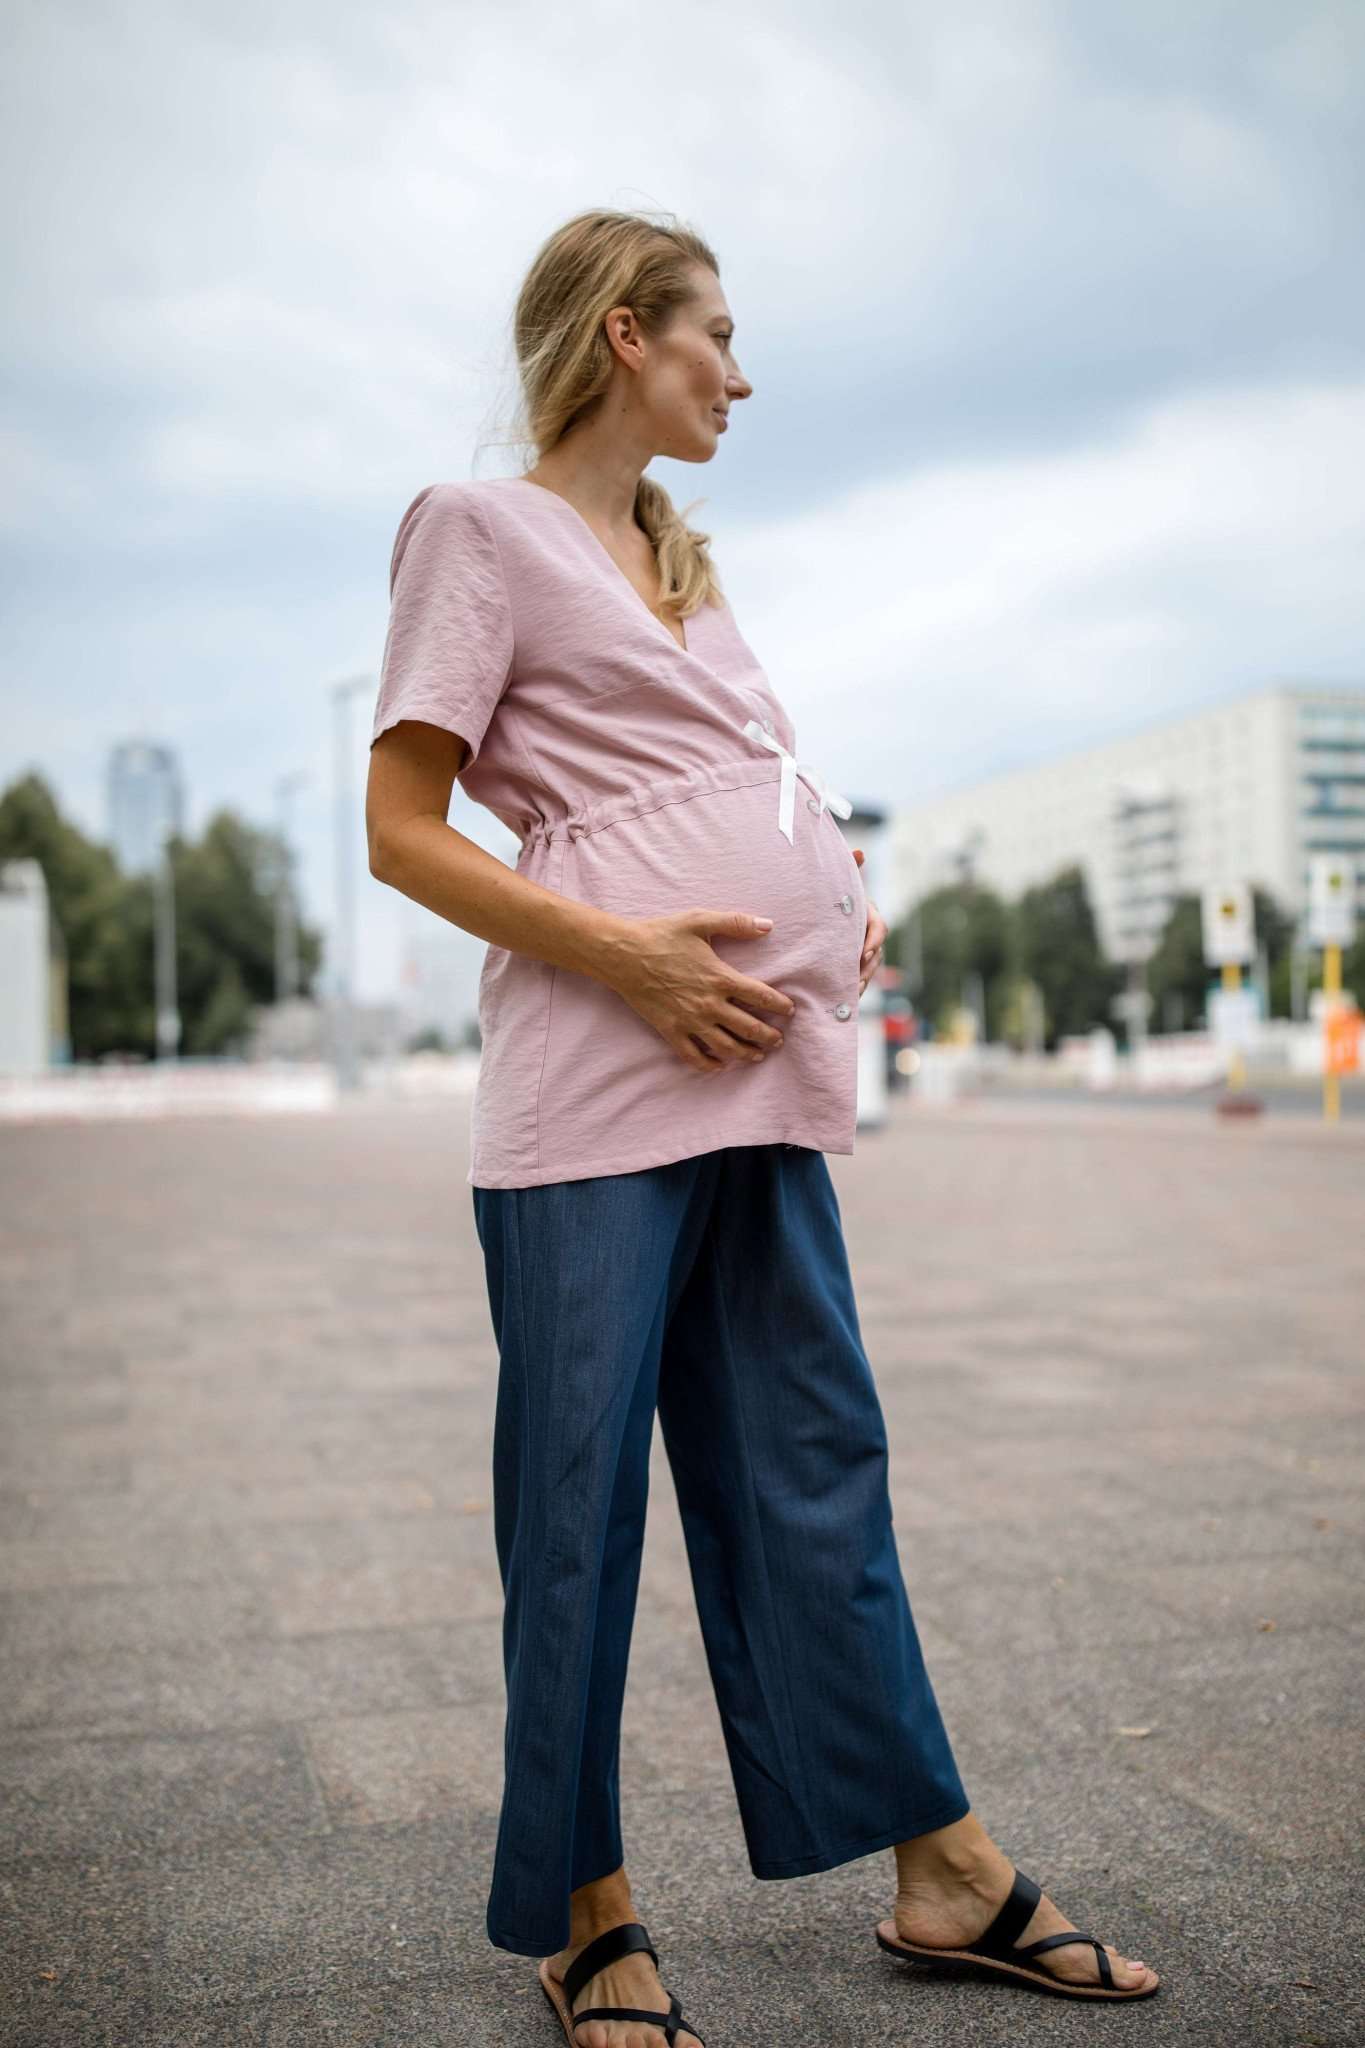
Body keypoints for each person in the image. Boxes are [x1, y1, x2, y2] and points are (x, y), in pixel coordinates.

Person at [365, 208, 1160, 2047]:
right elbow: (403, 832)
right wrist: (628, 956)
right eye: (716, 334)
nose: (741, 371)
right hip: (595, 1093)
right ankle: (584, 1909)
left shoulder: (680, 559)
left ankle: (939, 1864)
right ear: (624, 334)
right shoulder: (473, 531)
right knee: (577, 1507)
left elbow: (730, 775)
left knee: (812, 1464)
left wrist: (837, 888)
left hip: (761, 1068)